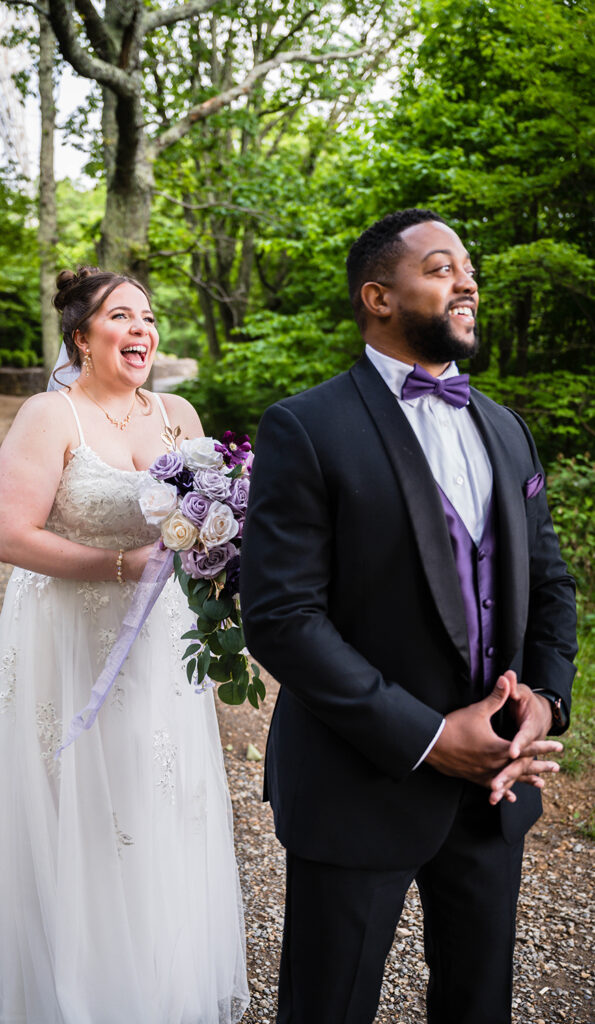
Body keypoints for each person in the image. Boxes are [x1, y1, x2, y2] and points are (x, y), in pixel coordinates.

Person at [240, 209, 576, 1024]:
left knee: (477, 1005)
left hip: (493, 789)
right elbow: (282, 616)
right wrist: (426, 736)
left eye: (469, 269)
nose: (466, 281)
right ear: (377, 296)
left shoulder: (504, 428)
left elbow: (550, 584)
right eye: (440, 267)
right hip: (358, 781)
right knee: (329, 1006)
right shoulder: (306, 426)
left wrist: (542, 700)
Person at [0, 267, 249, 1023]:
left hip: (160, 642)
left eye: (148, 318)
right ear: (82, 338)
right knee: (73, 802)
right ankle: (64, 990)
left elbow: (213, 520)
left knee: (155, 798)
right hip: (66, 635)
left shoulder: (179, 413)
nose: (142, 331)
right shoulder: (50, 416)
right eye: (122, 317)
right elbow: (10, 537)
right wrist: (118, 564)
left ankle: (154, 987)